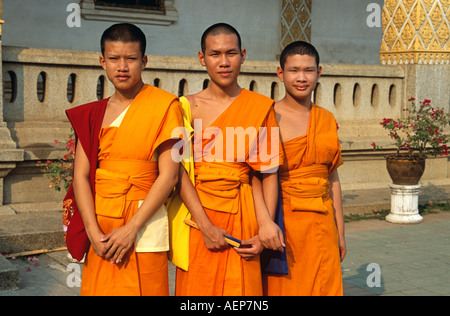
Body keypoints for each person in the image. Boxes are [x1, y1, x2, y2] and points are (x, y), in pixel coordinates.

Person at [66, 23, 183, 296]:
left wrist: (132, 228)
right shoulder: (93, 114)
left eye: (131, 59)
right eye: (114, 59)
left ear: (143, 61)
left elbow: (169, 175)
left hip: (145, 220)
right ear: (102, 61)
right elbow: (81, 176)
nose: (122, 67)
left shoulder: (166, 105)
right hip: (101, 222)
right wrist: (93, 233)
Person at [174, 23, 284, 296]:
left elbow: (268, 174)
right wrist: (205, 225)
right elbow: (177, 172)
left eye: (231, 53)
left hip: (244, 217)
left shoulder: (260, 108)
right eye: (215, 54)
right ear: (202, 58)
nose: (224, 62)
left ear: (243, 55)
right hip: (196, 218)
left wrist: (264, 228)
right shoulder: (183, 108)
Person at [262, 41, 347, 296]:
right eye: (294, 70)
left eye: (308, 71)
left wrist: (340, 231)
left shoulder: (326, 118)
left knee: (325, 286)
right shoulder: (268, 117)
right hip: (286, 223)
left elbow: (332, 177)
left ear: (319, 72)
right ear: (281, 73)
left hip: (322, 222)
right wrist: (265, 224)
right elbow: (260, 178)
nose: (302, 78)